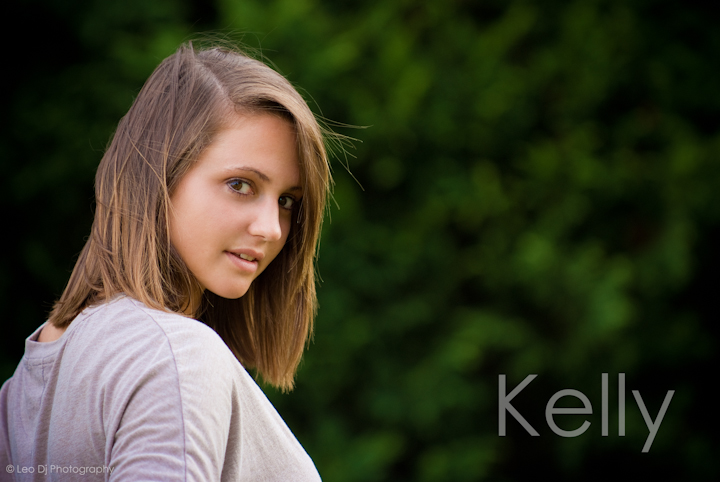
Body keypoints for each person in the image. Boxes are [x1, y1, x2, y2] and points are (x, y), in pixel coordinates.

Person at [0, 42, 331, 481]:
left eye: (288, 200)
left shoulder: (28, 380)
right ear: (159, 174)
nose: (272, 229)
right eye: (241, 184)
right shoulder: (176, 356)